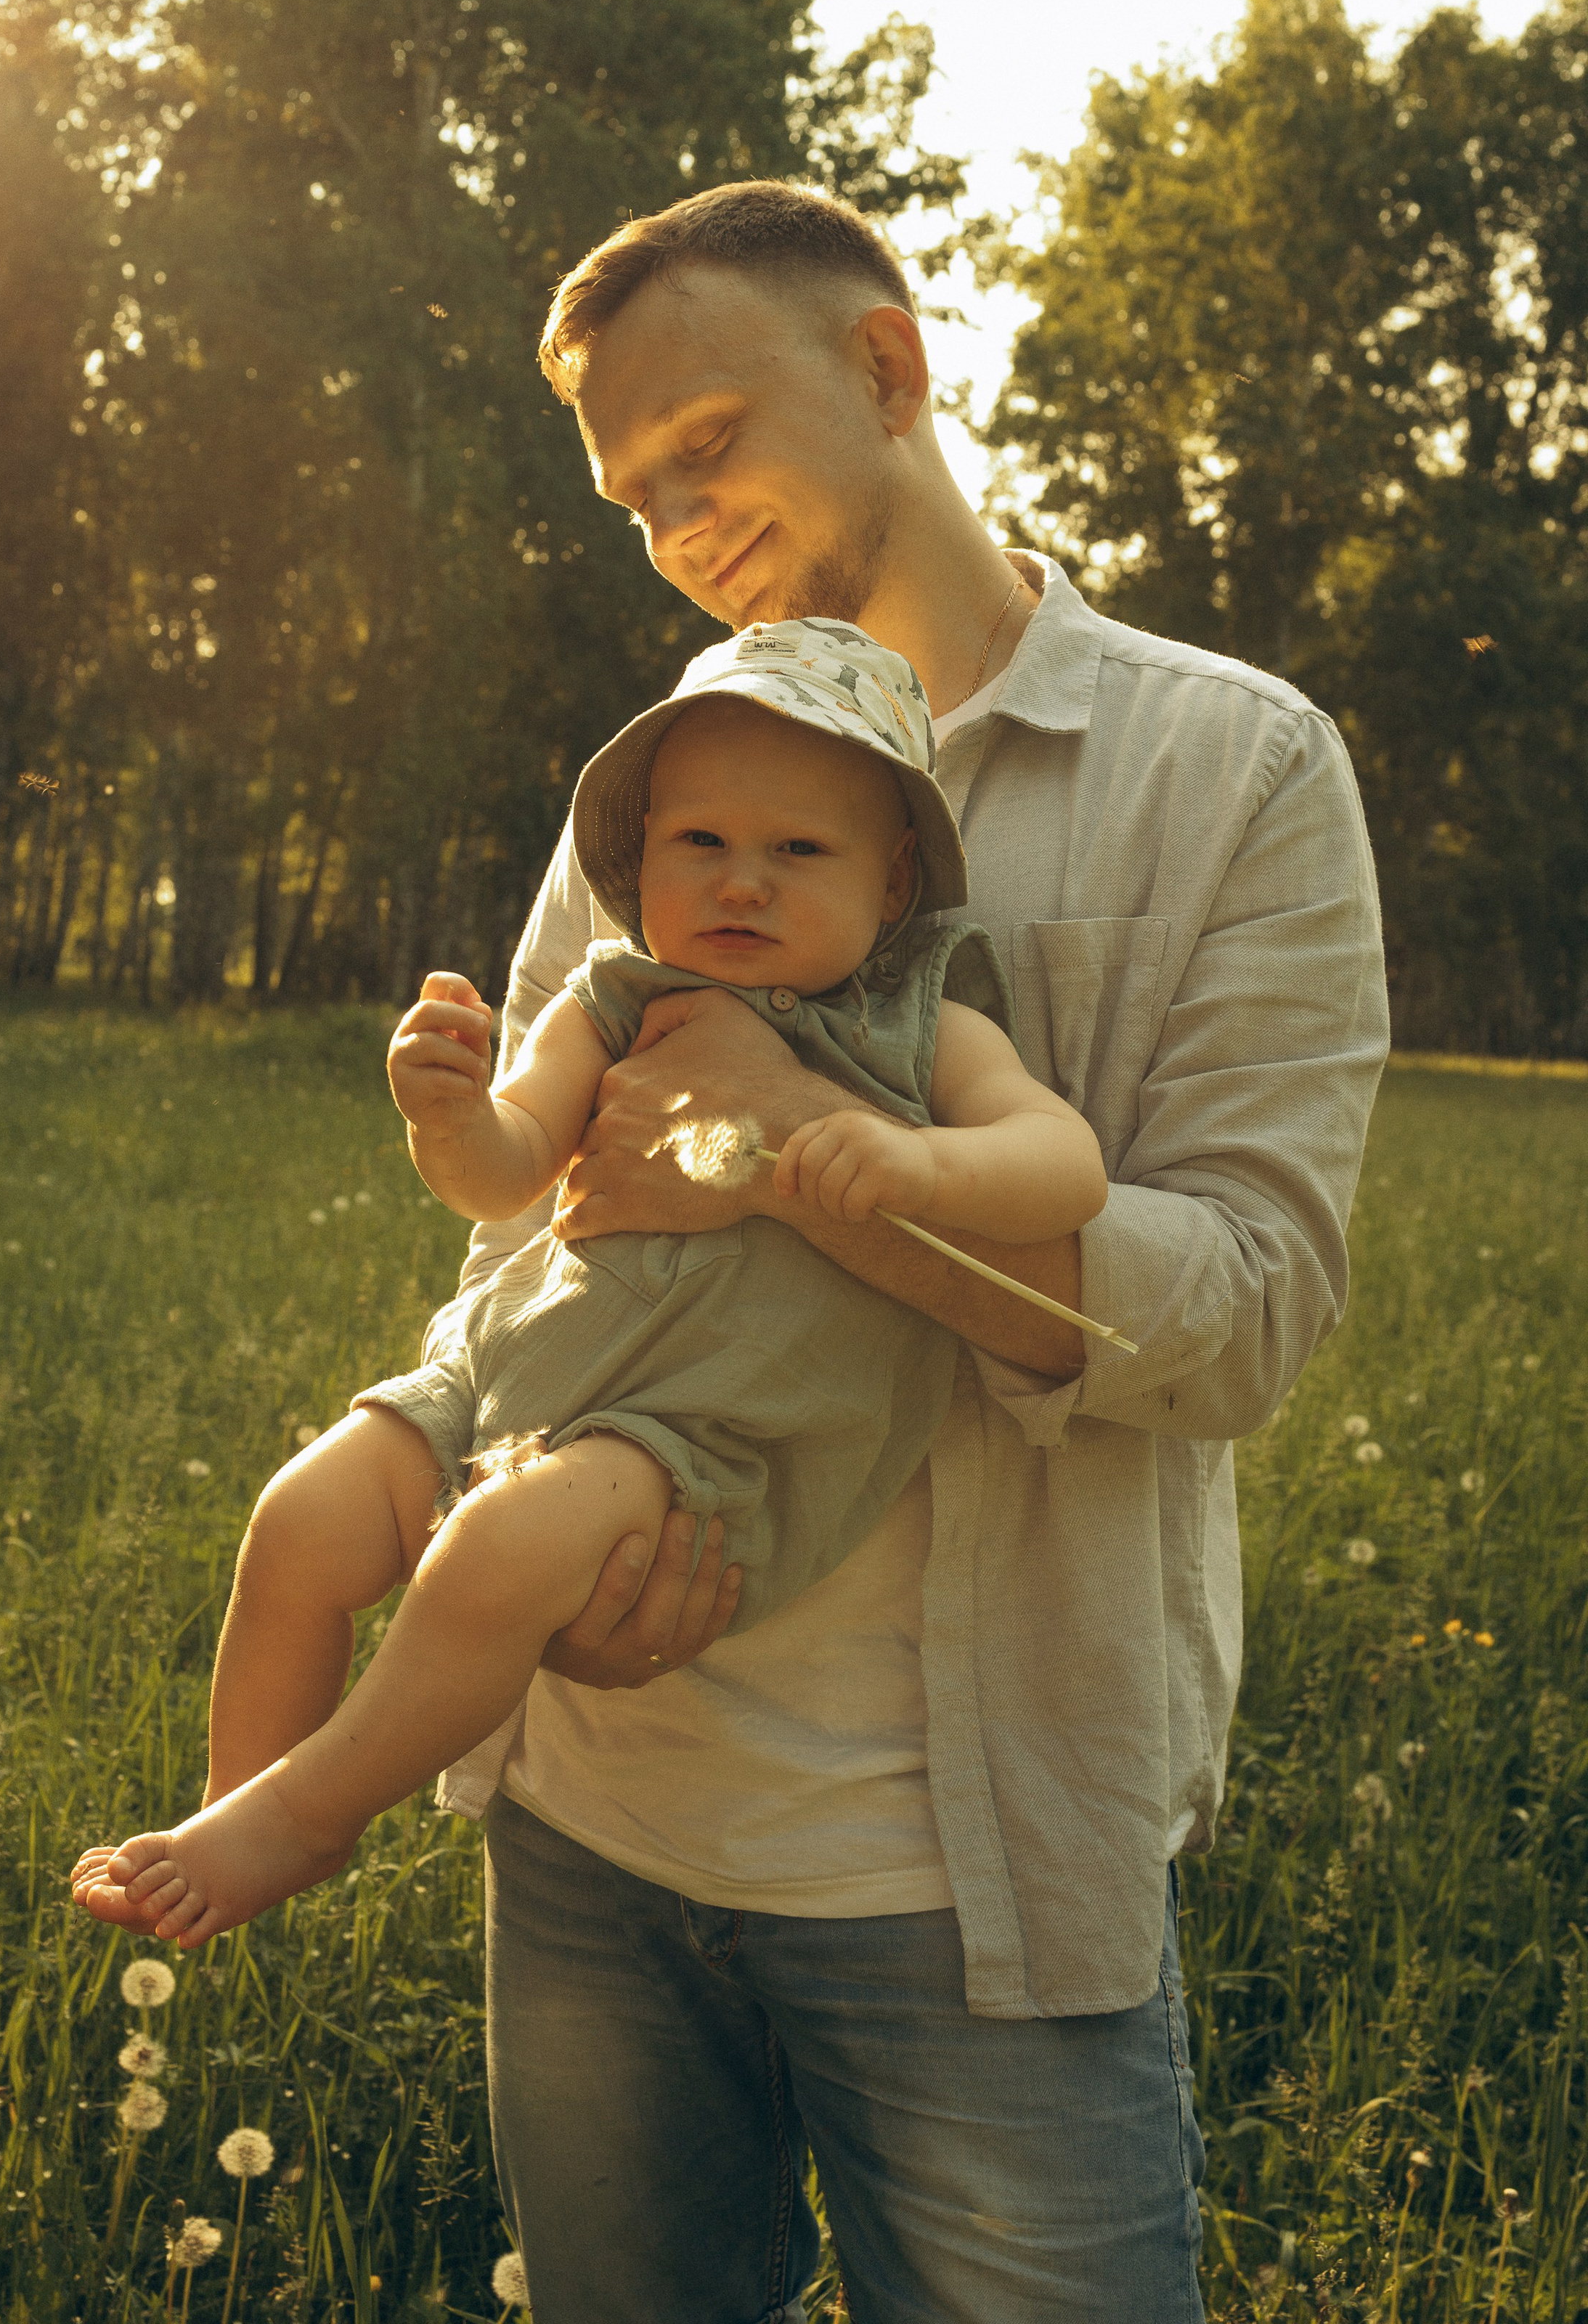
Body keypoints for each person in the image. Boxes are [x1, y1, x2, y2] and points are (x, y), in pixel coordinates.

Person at [441, 182, 1390, 2324]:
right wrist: (510, 1510)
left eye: (706, 443)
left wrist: (813, 1159)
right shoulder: (668, 776)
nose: (675, 522)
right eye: (631, 496)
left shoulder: (1230, 770)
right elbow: (529, 1215)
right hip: (593, 1828)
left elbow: (1242, 1314)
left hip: (969, 1872)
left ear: (889, 370)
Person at [68, 622, 1109, 1949]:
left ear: (896, 881)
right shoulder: (612, 999)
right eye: (702, 845)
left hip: (705, 1437)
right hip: (514, 1368)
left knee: (496, 1548)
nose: (745, 883)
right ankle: (237, 1803)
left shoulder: (926, 1034)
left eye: (800, 851)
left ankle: (309, 1811)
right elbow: (505, 1170)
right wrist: (443, 1116)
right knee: (301, 1514)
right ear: (641, 860)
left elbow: (1063, 1164)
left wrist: (918, 1169)